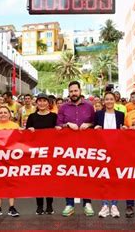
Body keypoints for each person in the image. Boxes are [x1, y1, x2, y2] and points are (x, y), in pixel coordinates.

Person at [55, 81, 95, 217]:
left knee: (86, 174)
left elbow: (95, 124)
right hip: (68, 147)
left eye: (75, 91)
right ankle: (69, 204)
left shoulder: (90, 107)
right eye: (71, 91)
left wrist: (88, 124)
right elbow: (58, 125)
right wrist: (67, 124)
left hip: (86, 146)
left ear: (80, 91)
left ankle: (87, 203)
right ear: (68, 92)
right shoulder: (63, 108)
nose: (73, 94)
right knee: (69, 175)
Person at [26, 93, 57, 215]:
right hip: (36, 153)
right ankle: (39, 206)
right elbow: (26, 134)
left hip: (50, 153)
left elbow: (60, 134)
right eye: (40, 101)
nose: (42, 103)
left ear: (48, 103)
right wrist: (29, 131)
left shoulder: (54, 116)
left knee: (49, 180)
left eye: (44, 101)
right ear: (36, 103)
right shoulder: (32, 117)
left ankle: (49, 206)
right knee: (38, 180)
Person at [93, 92, 124, 218]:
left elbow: (123, 131)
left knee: (115, 178)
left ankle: (114, 205)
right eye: (107, 99)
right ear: (103, 101)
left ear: (115, 100)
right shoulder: (98, 114)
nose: (109, 101)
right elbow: (93, 131)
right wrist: (95, 129)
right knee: (104, 178)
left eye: (111, 99)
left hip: (116, 149)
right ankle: (105, 205)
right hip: (102, 150)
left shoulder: (121, 115)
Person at [0, 106, 20, 217]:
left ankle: (12, 207)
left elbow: (19, 140)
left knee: (11, 182)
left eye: (5, 112)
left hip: (11, 157)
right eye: (1, 112)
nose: (3, 114)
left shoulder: (15, 126)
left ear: (9, 114)